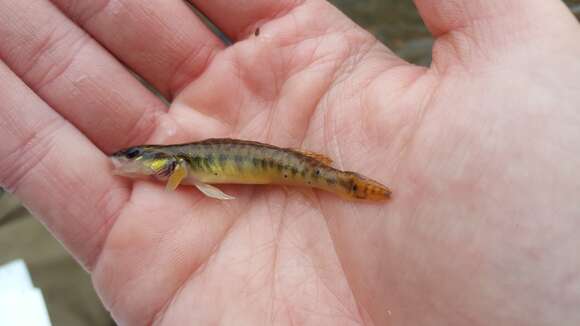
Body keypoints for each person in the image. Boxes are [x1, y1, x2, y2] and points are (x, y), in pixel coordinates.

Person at [1, 0, 579, 324]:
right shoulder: (173, 169)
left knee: (319, 175)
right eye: (131, 160)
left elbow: (180, 177)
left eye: (132, 159)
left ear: (150, 159)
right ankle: (344, 184)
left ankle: (349, 185)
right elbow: (187, 179)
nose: (124, 163)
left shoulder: (168, 167)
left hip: (287, 171)